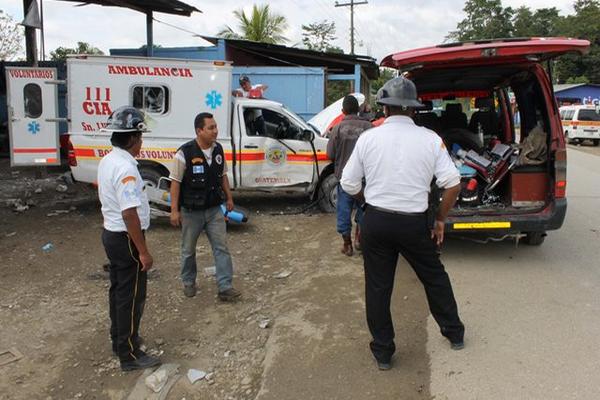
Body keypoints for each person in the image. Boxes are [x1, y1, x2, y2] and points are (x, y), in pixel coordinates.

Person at [340, 77, 465, 371]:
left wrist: (367, 201)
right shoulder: (431, 139)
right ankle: (454, 333)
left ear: (384, 108)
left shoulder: (369, 138)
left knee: (378, 286)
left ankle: (383, 352)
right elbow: (453, 184)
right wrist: (439, 219)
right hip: (414, 224)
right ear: (413, 109)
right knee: (434, 277)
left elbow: (347, 183)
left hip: (377, 222)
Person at [98, 106, 161, 371]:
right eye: (141, 137)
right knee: (132, 296)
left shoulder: (108, 160)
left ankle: (119, 340)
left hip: (111, 235)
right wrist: (143, 251)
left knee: (119, 292)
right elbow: (129, 214)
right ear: (133, 138)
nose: (142, 142)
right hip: (125, 238)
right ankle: (130, 353)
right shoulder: (125, 168)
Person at [169, 112, 241, 302]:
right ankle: (189, 282)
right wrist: (174, 211)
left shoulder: (218, 150)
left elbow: (222, 176)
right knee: (188, 249)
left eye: (215, 127)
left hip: (214, 210)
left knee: (221, 247)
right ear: (199, 130)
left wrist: (229, 198)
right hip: (191, 212)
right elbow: (175, 183)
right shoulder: (184, 153)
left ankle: (225, 287)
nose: (215, 131)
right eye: (211, 128)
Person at [326, 95, 373, 256]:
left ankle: (347, 245)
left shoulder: (337, 128)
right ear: (359, 110)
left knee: (344, 211)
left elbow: (330, 154)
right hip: (365, 180)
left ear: (343, 111)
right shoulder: (369, 127)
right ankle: (359, 239)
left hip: (344, 180)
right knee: (364, 208)